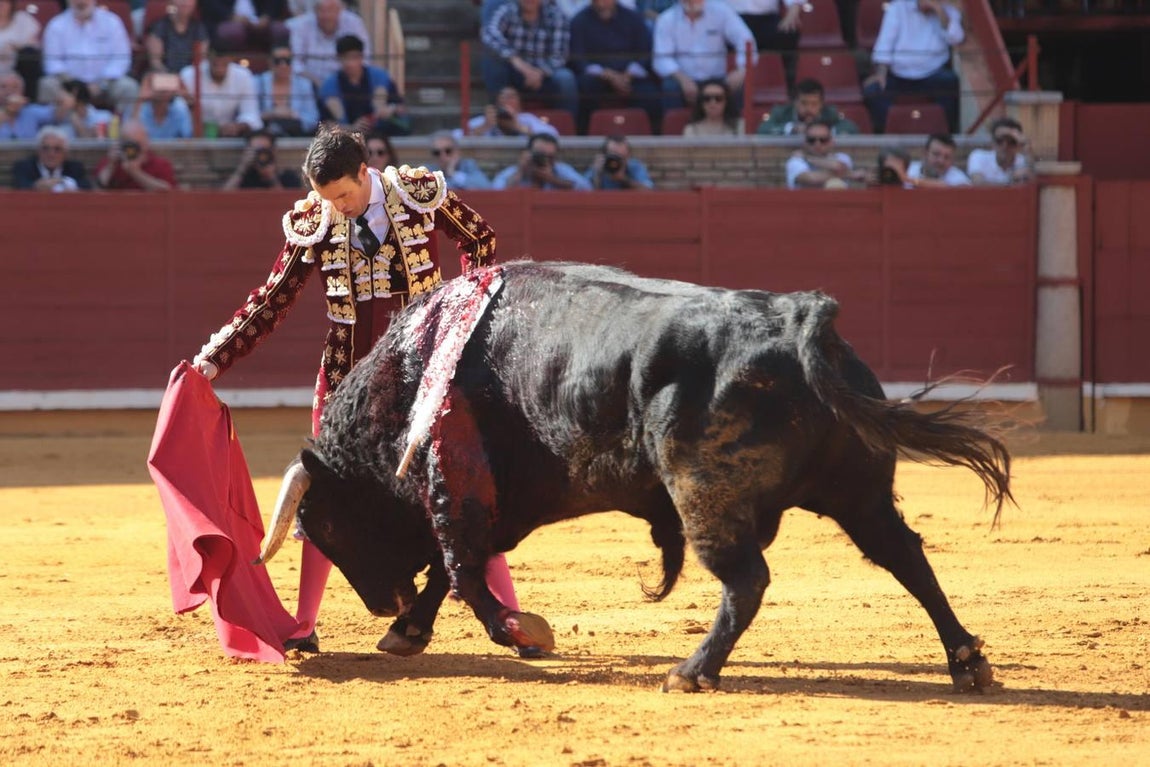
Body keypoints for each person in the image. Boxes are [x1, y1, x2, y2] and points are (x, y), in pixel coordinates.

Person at [190, 124, 533, 656]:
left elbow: (480, 239)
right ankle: (305, 623)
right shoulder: (316, 220)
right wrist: (212, 360)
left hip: (420, 374)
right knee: (323, 493)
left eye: (343, 195)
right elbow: (270, 300)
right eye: (325, 197)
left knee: (459, 484)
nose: (336, 207)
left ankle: (505, 608)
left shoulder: (417, 195)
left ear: (364, 172)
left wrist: (463, 322)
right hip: (348, 382)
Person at [862, 0, 964, 134]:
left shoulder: (948, 11)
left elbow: (956, 38)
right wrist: (881, 74)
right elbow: (884, 44)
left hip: (933, 73)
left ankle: (945, 135)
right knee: (873, 90)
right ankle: (890, 134)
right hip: (899, 74)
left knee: (950, 81)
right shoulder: (897, 8)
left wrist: (939, 12)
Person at [568, 0, 660, 135]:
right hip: (597, 77)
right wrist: (608, 75)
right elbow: (579, 60)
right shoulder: (579, 21)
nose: (602, 5)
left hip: (630, 75)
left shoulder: (633, 18)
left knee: (650, 93)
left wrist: (628, 75)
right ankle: (586, 137)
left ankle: (649, 138)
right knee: (585, 87)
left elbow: (645, 53)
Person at [480, 0, 579, 120]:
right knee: (492, 64)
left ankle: (567, 127)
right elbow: (489, 34)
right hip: (514, 71)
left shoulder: (556, 16)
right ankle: (500, 118)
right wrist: (516, 61)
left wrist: (540, 72)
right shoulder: (508, 10)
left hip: (544, 75)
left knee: (566, 78)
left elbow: (559, 55)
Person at [652, 0, 757, 113]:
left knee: (739, 84)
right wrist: (683, 80)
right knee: (669, 87)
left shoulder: (722, 11)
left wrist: (741, 70)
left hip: (717, 78)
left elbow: (746, 40)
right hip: (683, 79)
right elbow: (661, 58)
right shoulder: (666, 19)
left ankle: (737, 127)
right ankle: (675, 128)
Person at [39, 0, 139, 115]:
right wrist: (74, 84)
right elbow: (52, 63)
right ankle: (60, 128)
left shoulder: (112, 22)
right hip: (69, 84)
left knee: (129, 87)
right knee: (46, 84)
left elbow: (121, 59)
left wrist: (102, 83)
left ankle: (126, 130)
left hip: (106, 84)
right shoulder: (56, 25)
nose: (81, 2)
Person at [318, 34, 410, 136]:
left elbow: (401, 108)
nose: (350, 63)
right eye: (345, 58)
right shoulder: (329, 86)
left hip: (381, 135)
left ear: (361, 57)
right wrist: (351, 128)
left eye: (354, 57)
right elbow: (325, 124)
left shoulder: (381, 77)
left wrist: (390, 109)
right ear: (338, 58)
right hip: (346, 140)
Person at [180, 41, 263, 137]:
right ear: (207, 57)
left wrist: (238, 126)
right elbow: (181, 112)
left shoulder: (243, 75)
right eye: (216, 59)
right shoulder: (189, 74)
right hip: (196, 134)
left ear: (231, 59)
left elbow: (250, 112)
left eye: (224, 60)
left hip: (232, 136)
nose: (219, 63)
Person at [288, 0, 371, 92]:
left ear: (340, 10)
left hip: (346, 82)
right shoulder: (301, 26)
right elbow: (296, 63)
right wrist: (316, 82)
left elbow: (365, 58)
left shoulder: (355, 23)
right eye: (322, 11)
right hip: (311, 84)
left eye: (331, 10)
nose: (327, 16)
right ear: (315, 11)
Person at [725, 0, 803, 89]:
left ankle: (790, 86)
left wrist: (792, 14)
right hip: (731, 18)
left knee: (789, 34)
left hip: (767, 19)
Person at [756, 78, 860, 136]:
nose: (809, 109)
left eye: (814, 104)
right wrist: (792, 129)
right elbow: (762, 130)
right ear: (795, 102)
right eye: (804, 103)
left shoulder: (830, 113)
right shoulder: (781, 112)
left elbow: (852, 129)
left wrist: (825, 131)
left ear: (821, 104)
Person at [94, 119, 177, 191]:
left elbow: (167, 192)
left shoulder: (160, 164)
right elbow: (97, 189)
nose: (133, 149)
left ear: (146, 142)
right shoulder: (113, 161)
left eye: (138, 144)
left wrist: (135, 172)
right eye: (129, 144)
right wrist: (110, 166)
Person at [256, 43, 320, 137]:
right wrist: (271, 114)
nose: (283, 65)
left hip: (296, 134)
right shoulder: (257, 82)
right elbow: (249, 115)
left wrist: (292, 114)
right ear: (270, 62)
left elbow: (313, 119)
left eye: (287, 61)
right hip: (265, 135)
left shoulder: (304, 84)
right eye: (278, 61)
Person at [492, 131, 592, 190]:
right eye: (540, 155)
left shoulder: (561, 169)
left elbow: (587, 189)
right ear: (528, 152)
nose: (545, 160)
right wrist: (521, 171)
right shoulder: (514, 171)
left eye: (550, 157)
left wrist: (553, 180)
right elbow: (496, 194)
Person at [785, 118, 863, 189]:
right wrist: (850, 174)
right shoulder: (795, 161)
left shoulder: (842, 157)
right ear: (805, 142)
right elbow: (810, 179)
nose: (817, 144)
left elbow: (839, 167)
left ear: (831, 142)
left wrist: (808, 158)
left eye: (823, 140)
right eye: (812, 140)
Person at [11, 125, 92, 192]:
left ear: (65, 153)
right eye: (46, 148)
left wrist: (68, 185)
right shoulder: (24, 167)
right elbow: (20, 185)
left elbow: (86, 186)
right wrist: (36, 186)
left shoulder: (75, 167)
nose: (51, 154)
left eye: (57, 149)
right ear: (38, 151)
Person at [460, 85, 560, 139]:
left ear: (519, 104)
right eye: (503, 97)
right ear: (497, 103)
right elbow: (456, 137)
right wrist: (483, 128)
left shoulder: (527, 119)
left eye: (511, 97)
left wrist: (518, 127)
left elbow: (552, 135)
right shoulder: (486, 120)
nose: (507, 101)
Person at [198, 0, 290, 55]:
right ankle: (231, 68)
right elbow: (210, 4)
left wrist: (267, 16)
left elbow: (276, 3)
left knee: (280, 30)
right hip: (228, 20)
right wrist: (230, 17)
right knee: (233, 31)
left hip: (260, 21)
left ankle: (278, 67)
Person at [222, 128, 302, 190]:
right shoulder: (244, 177)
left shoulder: (288, 177)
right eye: (256, 151)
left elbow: (289, 203)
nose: (260, 155)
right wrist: (242, 168)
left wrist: (272, 179)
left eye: (264, 150)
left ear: (273, 151)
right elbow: (223, 198)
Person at [144, 0, 209, 75]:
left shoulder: (199, 28)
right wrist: (171, 77)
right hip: (164, 76)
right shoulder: (159, 26)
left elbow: (202, 60)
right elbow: (155, 62)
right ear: (171, 2)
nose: (185, 3)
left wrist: (188, 77)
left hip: (191, 78)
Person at [966, 117, 1033, 186]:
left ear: (1018, 145)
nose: (1005, 146)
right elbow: (978, 184)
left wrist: (1025, 145)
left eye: (1011, 142)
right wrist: (1010, 183)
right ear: (993, 143)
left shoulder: (1022, 160)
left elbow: (1033, 183)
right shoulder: (979, 156)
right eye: (1000, 141)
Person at [132, 71, 194, 140]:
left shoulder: (179, 108)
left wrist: (186, 95)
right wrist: (140, 99)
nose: (162, 91)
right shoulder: (142, 108)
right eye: (159, 85)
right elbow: (132, 137)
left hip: (172, 150)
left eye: (166, 86)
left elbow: (190, 136)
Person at [0, 0, 40, 97]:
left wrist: (15, 47)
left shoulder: (23, 20)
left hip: (18, 69)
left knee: (29, 54)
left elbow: (34, 45)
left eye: (4, 2)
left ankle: (28, 100)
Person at [427, 130, 491, 190]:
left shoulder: (468, 165)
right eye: (437, 153)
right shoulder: (428, 171)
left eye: (448, 151)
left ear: (457, 152)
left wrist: (454, 174)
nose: (443, 156)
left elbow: (485, 186)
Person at [585, 133, 653, 189]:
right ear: (604, 155)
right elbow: (583, 192)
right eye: (613, 156)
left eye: (621, 157)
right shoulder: (599, 166)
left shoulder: (634, 166)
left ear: (628, 156)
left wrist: (624, 179)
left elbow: (649, 191)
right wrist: (597, 175)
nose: (616, 162)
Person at [0, 71, 52, 139]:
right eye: (3, 87)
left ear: (22, 91)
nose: (9, 91)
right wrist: (8, 112)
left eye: (15, 87)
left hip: (28, 149)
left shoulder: (32, 111)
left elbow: (57, 115)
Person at [907, 132, 971, 187]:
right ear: (925, 154)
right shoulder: (908, 170)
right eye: (936, 154)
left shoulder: (959, 180)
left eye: (947, 157)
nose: (941, 161)